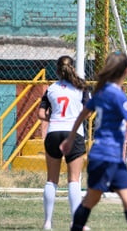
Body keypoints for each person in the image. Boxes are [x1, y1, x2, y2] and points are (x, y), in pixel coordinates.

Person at [60, 52, 127, 231]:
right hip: (105, 156)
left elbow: (83, 114)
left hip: (113, 159)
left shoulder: (102, 91)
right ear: (126, 71)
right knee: (91, 199)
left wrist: (71, 137)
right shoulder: (116, 95)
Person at [37, 55, 90, 230]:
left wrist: (53, 117)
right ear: (73, 69)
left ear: (57, 71)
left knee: (51, 180)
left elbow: (40, 114)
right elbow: (88, 112)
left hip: (53, 132)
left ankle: (47, 222)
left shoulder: (51, 89)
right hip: (73, 133)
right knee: (73, 180)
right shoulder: (81, 87)